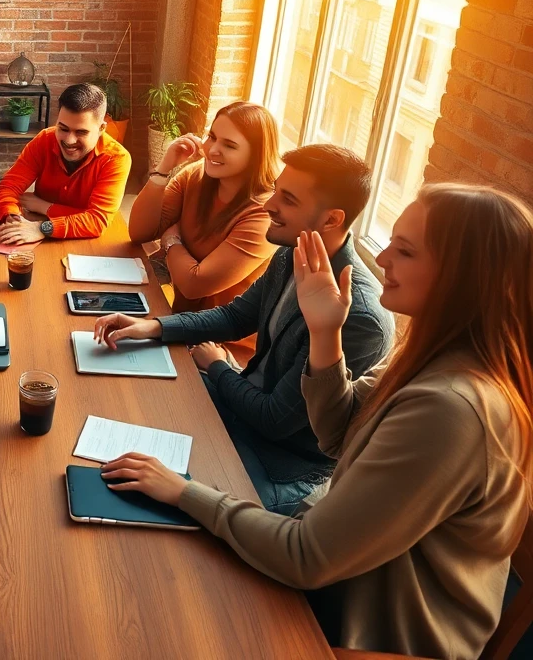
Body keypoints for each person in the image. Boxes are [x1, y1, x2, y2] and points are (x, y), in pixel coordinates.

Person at [96, 183, 533, 660]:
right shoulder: (430, 356)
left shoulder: (452, 408)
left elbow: (306, 557)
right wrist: (326, 336)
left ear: (465, 279)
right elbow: (339, 437)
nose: (382, 257)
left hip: (365, 634)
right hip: (343, 577)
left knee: (145, 600)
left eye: (404, 251)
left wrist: (183, 490)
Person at [94, 145, 394, 513]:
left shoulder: (361, 318)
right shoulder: (292, 251)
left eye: (287, 199)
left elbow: (273, 420)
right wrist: (152, 326)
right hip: (239, 403)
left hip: (276, 460)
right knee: (119, 403)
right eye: (276, 190)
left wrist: (218, 366)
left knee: (160, 514)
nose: (268, 206)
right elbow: (234, 317)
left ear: (331, 220)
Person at [127, 101, 281, 312]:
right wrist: (163, 169)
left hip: (220, 339)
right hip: (180, 319)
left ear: (257, 154)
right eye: (212, 137)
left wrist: (171, 240)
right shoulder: (196, 175)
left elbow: (194, 285)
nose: (212, 150)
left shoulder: (265, 214)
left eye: (229, 145)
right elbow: (139, 232)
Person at [0, 83, 131, 244]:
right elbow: (8, 187)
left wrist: (43, 219)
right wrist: (13, 218)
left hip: (85, 242)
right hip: (32, 229)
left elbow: (96, 221)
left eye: (81, 132)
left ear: (101, 128)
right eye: (63, 129)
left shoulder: (116, 159)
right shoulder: (44, 139)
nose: (69, 141)